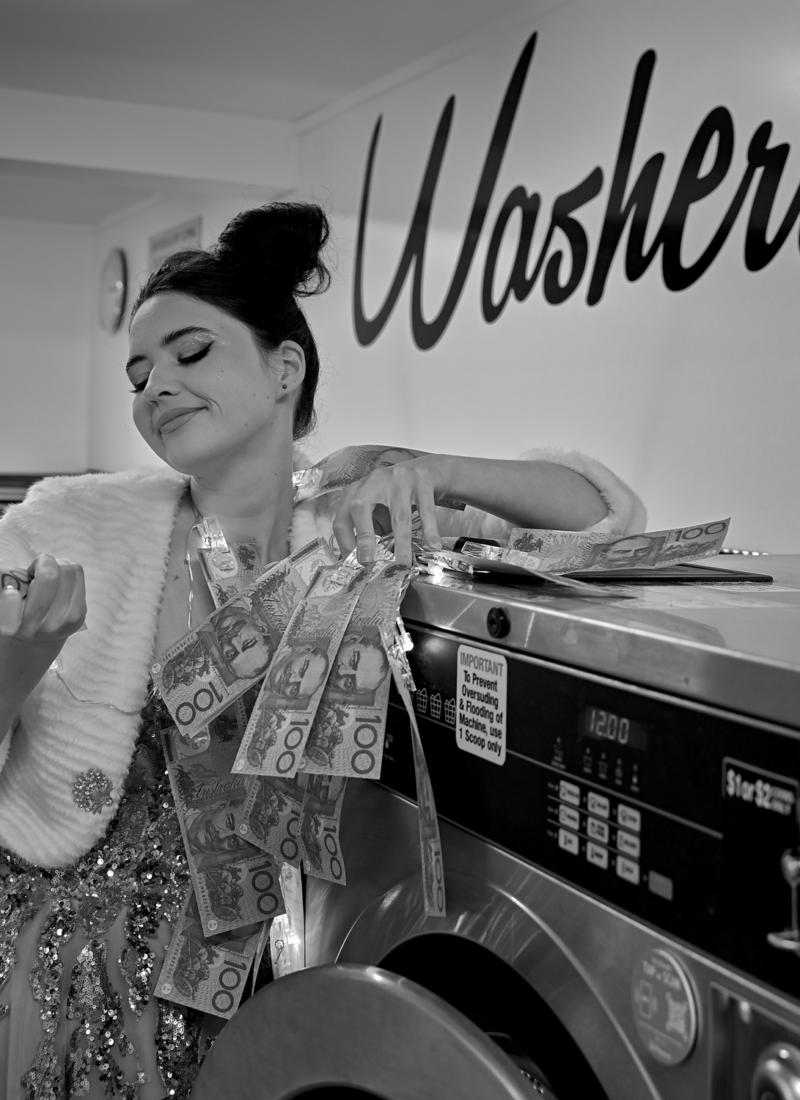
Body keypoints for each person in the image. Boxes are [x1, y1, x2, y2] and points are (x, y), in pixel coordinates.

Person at [0, 201, 646, 1099]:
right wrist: (21, 658)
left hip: (289, 964)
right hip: (68, 950)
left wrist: (438, 469)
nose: (155, 389)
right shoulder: (72, 521)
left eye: (191, 353)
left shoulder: (365, 521)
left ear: (285, 368)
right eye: (139, 375)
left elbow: (608, 524)